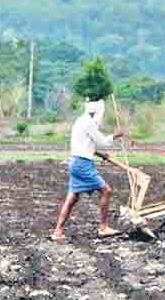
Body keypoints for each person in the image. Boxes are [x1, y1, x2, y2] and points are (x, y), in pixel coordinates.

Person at [50, 99, 127, 243]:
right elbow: (102, 141)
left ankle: (57, 232)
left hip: (76, 162)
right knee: (106, 191)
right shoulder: (88, 123)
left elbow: (85, 144)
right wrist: (117, 135)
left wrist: (99, 154)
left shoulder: (79, 121)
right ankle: (103, 227)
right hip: (83, 164)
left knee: (72, 198)